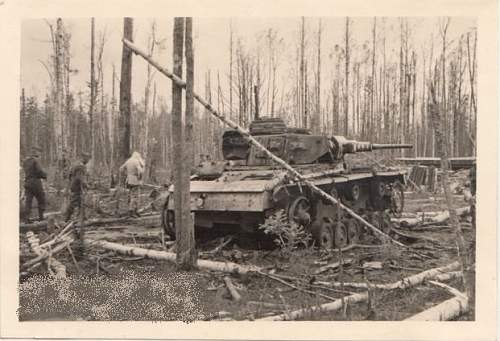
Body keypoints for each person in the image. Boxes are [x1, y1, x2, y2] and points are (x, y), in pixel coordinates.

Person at [22, 147, 47, 222]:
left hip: (27, 182)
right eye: (38, 153)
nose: (39, 155)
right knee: (41, 198)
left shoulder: (25, 161)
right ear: (36, 153)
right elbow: (39, 171)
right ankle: (41, 218)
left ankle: (26, 219)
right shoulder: (36, 160)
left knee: (28, 201)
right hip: (35, 182)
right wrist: (44, 175)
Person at [64, 152, 91, 222]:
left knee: (81, 202)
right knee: (73, 202)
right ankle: (66, 218)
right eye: (87, 159)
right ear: (84, 158)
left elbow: (70, 175)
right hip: (77, 187)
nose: (88, 161)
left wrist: (70, 183)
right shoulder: (81, 166)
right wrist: (86, 185)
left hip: (74, 185)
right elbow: (80, 177)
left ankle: (83, 217)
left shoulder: (75, 164)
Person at [119, 151, 145, 217]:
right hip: (134, 180)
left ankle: (133, 210)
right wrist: (142, 169)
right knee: (135, 196)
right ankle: (132, 211)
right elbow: (141, 171)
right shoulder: (136, 161)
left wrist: (126, 174)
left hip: (128, 180)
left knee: (131, 195)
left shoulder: (129, 160)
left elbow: (121, 168)